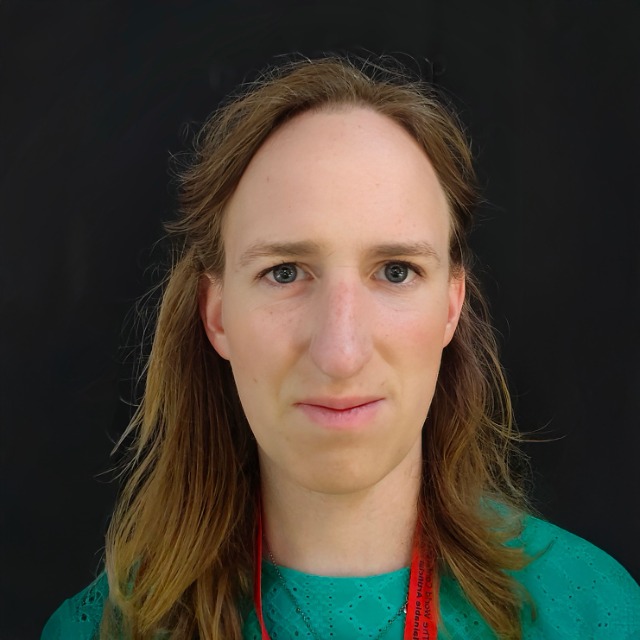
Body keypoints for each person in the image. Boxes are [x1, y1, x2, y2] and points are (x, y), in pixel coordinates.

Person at [42, 55, 640, 640]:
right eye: (284, 272)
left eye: (397, 271)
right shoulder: (100, 631)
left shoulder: (598, 616)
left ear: (451, 307)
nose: (341, 352)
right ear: (216, 315)